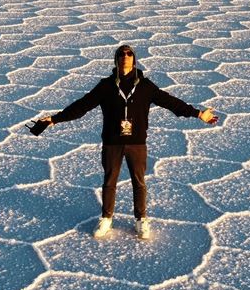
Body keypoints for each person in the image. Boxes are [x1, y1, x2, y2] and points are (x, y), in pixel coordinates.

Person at [31, 45, 218, 240]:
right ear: (116, 60)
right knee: (109, 181)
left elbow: (171, 102)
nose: (125, 57)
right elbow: (82, 106)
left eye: (129, 54)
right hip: (112, 142)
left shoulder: (146, 86)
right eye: (121, 54)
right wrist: (55, 119)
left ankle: (141, 219)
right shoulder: (106, 86)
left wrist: (198, 114)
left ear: (134, 60)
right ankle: (106, 218)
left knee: (139, 182)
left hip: (137, 143)